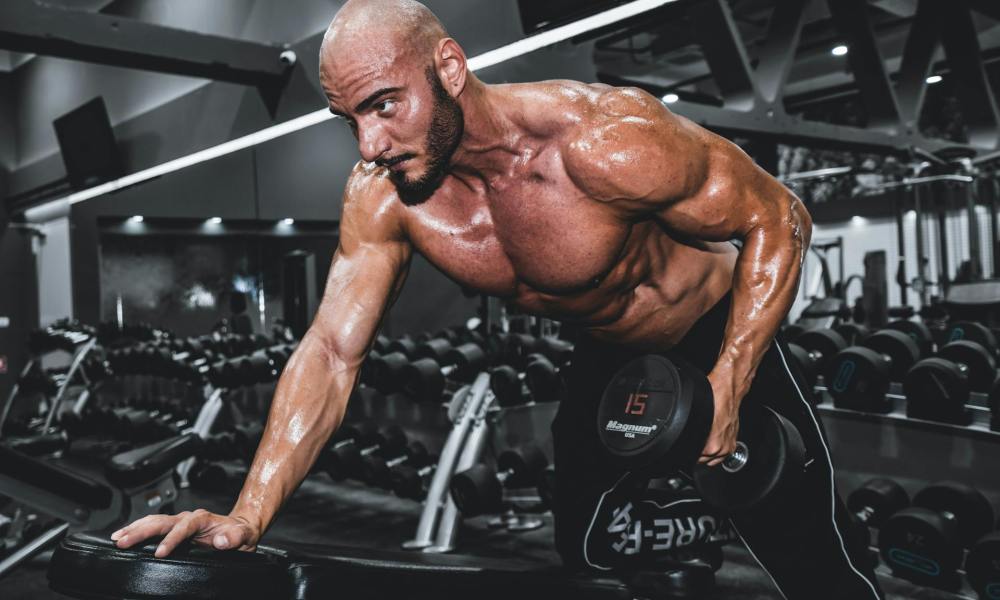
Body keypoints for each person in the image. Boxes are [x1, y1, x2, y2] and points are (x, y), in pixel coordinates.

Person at [110, 1, 881, 598]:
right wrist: (248, 514)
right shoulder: (384, 198)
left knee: (815, 562)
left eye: (383, 105)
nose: (367, 145)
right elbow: (331, 351)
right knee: (581, 547)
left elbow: (778, 216)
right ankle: (683, 534)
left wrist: (730, 380)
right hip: (605, 354)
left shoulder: (602, 143)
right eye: (348, 120)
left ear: (448, 66)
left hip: (712, 333)